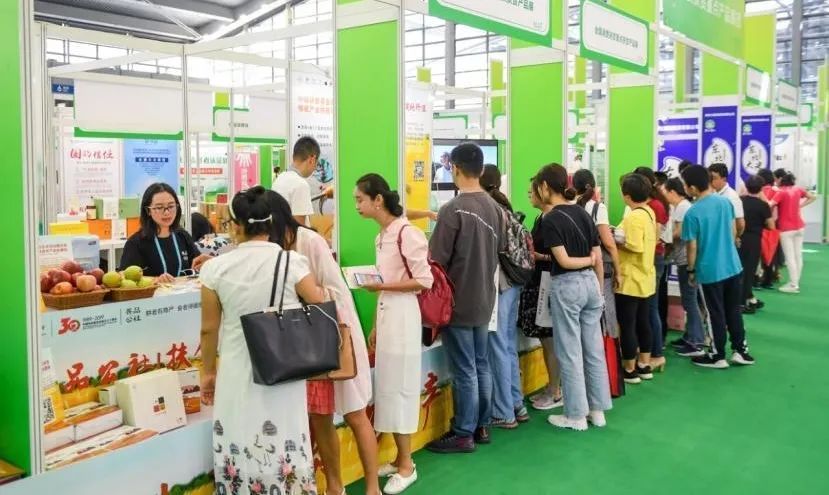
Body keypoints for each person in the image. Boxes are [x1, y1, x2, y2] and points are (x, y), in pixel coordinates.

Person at [199, 186, 325, 495]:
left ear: (236, 226)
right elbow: (319, 302)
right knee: (284, 432)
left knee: (240, 431)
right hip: (284, 365)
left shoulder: (214, 269)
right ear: (270, 224)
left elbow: (209, 329)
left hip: (236, 370)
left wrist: (208, 373)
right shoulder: (292, 262)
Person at [265, 191, 378, 495]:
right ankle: (335, 487)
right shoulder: (272, 248)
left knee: (355, 413)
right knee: (320, 416)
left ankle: (372, 486)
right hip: (303, 343)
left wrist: (308, 294)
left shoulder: (310, 241)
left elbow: (336, 292)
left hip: (335, 336)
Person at [355, 174, 433, 495]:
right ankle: (400, 457)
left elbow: (424, 280)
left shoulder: (407, 233)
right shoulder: (382, 236)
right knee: (387, 387)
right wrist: (375, 325)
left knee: (401, 388)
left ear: (378, 200)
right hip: (388, 314)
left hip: (403, 316)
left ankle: (407, 465)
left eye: (360, 199)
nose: (357, 205)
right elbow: (382, 285)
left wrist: (383, 286)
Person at [426, 143, 504, 453]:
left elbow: (436, 260)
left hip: (457, 301)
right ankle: (481, 426)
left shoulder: (452, 210)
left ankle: (463, 432)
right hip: (485, 298)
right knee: (481, 364)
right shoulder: (496, 208)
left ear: (454, 168)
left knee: (465, 369)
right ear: (481, 170)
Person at [534, 163, 611, 431]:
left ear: (545, 187)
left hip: (567, 286)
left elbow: (564, 261)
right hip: (591, 285)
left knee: (569, 351)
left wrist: (588, 261)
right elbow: (597, 256)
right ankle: (597, 411)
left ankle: (576, 415)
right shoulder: (582, 212)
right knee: (593, 350)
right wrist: (598, 287)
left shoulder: (551, 219)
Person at [680, 165, 754, 368]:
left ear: (692, 188)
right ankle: (741, 351)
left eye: (685, 185)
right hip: (733, 265)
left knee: (715, 313)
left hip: (709, 270)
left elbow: (692, 246)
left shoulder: (692, 213)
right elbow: (733, 231)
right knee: (733, 310)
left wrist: (691, 270)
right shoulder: (725, 202)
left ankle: (717, 355)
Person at [479, 165, 525, 429]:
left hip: (499, 284)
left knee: (496, 346)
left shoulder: (489, 211)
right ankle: (516, 404)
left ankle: (503, 411)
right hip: (513, 284)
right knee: (507, 345)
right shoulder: (505, 207)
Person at [519, 183, 563, 413]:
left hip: (548, 282)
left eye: (531, 191)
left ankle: (555, 390)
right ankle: (553, 386)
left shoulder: (554, 219)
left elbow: (560, 255)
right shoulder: (541, 218)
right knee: (546, 339)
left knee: (550, 339)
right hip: (539, 281)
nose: (529, 195)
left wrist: (538, 256)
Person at [120, 182, 211, 283]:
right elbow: (124, 278)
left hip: (183, 292)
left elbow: (197, 265)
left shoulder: (182, 236)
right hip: (153, 293)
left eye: (171, 206)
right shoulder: (135, 243)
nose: (167, 212)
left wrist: (209, 263)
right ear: (148, 211)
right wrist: (155, 280)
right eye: (159, 207)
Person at [614, 174, 657, 383]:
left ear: (627, 196)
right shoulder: (649, 212)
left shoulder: (633, 217)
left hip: (630, 279)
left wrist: (615, 240)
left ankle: (629, 369)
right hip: (646, 276)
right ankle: (644, 364)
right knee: (643, 322)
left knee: (628, 325)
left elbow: (634, 245)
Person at [573, 169, 622, 344]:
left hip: (575, 266)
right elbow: (608, 243)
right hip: (598, 266)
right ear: (593, 187)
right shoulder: (597, 208)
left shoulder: (569, 206)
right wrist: (618, 271)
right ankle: (606, 353)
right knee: (603, 310)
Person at [663, 178, 706, 357]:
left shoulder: (683, 207)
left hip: (687, 261)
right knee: (690, 300)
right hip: (684, 259)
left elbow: (680, 232)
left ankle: (696, 341)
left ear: (673, 192)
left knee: (690, 301)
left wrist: (664, 238)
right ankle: (690, 336)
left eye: (666, 192)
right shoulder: (681, 206)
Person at [634, 167, 670, 372]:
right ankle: (650, 351)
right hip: (653, 257)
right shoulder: (654, 204)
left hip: (652, 258)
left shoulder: (653, 206)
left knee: (650, 308)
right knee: (648, 307)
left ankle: (656, 353)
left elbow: (654, 237)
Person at [770, 173, 817, 294]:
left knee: (790, 257)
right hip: (799, 226)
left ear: (781, 181)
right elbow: (813, 197)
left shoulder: (781, 192)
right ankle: (795, 281)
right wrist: (800, 205)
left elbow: (770, 204)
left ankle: (793, 284)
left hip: (786, 229)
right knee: (798, 256)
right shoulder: (798, 190)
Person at [739, 176, 775, 313]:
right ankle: (743, 303)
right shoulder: (763, 205)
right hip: (753, 240)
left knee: (738, 270)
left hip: (738, 237)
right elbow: (771, 226)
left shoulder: (739, 201)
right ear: (761, 188)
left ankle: (750, 298)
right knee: (749, 272)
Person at [273, 136, 319, 225]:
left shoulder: (279, 179)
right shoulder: (300, 185)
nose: (315, 168)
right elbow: (299, 228)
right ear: (312, 159)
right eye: (317, 163)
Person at [708, 163, 745, 238]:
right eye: (709, 178)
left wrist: (734, 237)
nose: (711, 181)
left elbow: (740, 224)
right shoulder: (709, 193)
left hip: (725, 238)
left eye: (714, 178)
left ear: (724, 179)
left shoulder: (732, 196)